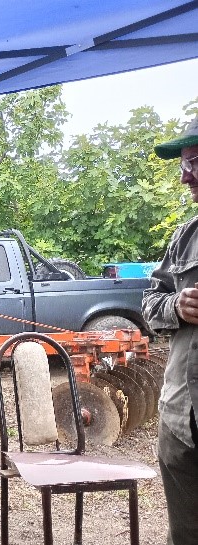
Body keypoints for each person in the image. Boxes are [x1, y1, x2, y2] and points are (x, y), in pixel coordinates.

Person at [142, 116, 198, 545]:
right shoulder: (184, 238)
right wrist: (175, 306)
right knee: (185, 534)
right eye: (183, 164)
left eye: (194, 162)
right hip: (182, 418)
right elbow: (149, 304)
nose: (184, 177)